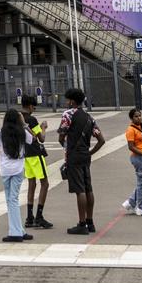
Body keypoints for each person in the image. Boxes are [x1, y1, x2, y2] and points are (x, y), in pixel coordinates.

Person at [58, 87, 105, 235]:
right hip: (85, 156)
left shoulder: (67, 115)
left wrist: (67, 147)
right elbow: (101, 140)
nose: (67, 102)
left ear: (72, 101)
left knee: (79, 190)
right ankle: (90, 222)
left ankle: (82, 223)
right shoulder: (89, 118)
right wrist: (89, 152)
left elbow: (61, 136)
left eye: (68, 100)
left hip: (74, 156)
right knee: (88, 188)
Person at [0, 108, 35, 242]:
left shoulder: (0, 134)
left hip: (5, 170)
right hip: (18, 170)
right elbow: (33, 138)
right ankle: (19, 230)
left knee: (10, 200)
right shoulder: (22, 132)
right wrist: (24, 124)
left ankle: (15, 232)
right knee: (13, 199)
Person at [20, 95, 53, 229]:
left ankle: (29, 216)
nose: (34, 109)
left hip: (25, 155)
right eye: (34, 107)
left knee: (31, 183)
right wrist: (43, 127)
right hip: (35, 154)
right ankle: (39, 215)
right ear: (29, 106)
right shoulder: (32, 119)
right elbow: (41, 138)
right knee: (44, 183)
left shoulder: (18, 118)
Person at [121, 108, 142, 216]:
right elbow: (131, 147)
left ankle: (130, 202)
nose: (139, 118)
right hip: (138, 158)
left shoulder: (141, 127)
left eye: (140, 115)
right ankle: (141, 207)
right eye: (136, 116)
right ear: (131, 118)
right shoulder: (131, 130)